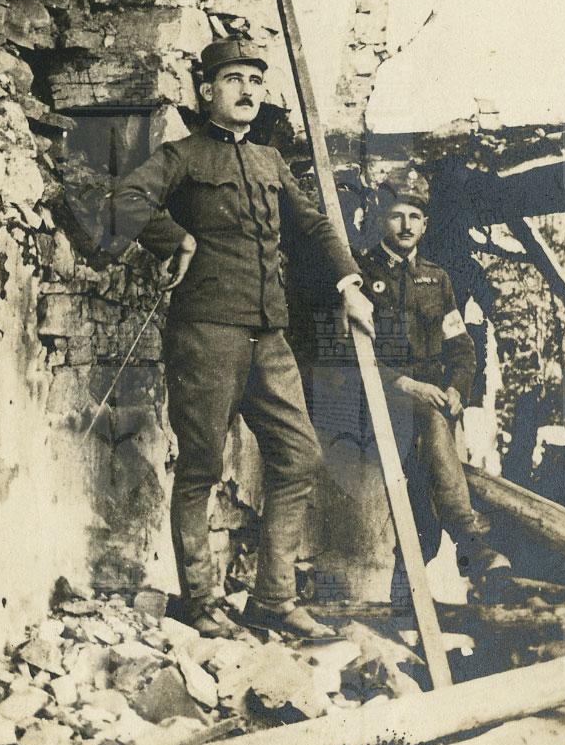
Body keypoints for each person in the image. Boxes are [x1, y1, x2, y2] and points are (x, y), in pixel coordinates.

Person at [110, 37, 375, 640]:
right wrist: (175, 238)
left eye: (255, 80)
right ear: (207, 91)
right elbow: (126, 199)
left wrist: (350, 284)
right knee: (201, 465)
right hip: (206, 332)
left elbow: (313, 226)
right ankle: (201, 601)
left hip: (269, 335)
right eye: (233, 79)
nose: (247, 90)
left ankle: (273, 599)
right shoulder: (182, 156)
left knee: (299, 457)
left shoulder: (270, 162)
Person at [356, 173, 494, 570]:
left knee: (424, 528)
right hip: (381, 403)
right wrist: (405, 384)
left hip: (431, 409)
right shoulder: (363, 274)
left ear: (425, 224)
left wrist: (457, 390)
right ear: (382, 220)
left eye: (415, 217)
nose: (406, 225)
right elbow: (347, 355)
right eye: (397, 215)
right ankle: (470, 535)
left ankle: (407, 602)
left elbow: (462, 349)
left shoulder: (437, 279)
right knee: (420, 512)